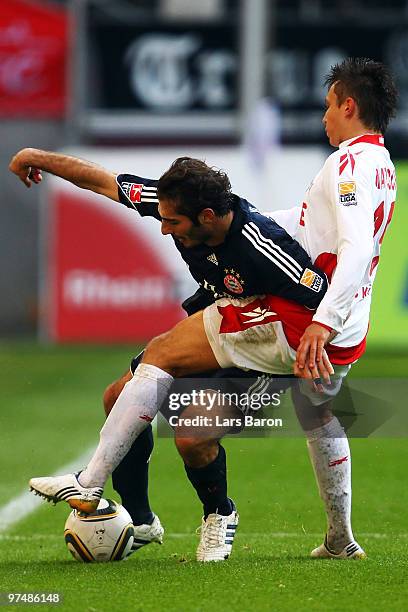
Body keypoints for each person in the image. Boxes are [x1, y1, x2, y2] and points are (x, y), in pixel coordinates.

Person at [13, 56, 398, 561]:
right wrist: (39, 154)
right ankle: (338, 538)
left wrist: (321, 325)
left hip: (303, 323)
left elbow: (352, 248)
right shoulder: (380, 165)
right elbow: (107, 182)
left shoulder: (345, 167)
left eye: (329, 106)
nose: (324, 116)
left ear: (349, 106)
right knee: (311, 414)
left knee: (163, 360)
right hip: (345, 329)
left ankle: (94, 485)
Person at [10, 148, 334, 564]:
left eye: (172, 223)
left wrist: (315, 351)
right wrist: (35, 156)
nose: (163, 229)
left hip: (263, 357)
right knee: (117, 398)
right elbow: (100, 180)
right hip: (219, 333)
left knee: (193, 436)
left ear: (207, 218)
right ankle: (142, 521)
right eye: (161, 218)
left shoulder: (261, 245)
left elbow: (318, 298)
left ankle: (220, 514)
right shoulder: (174, 204)